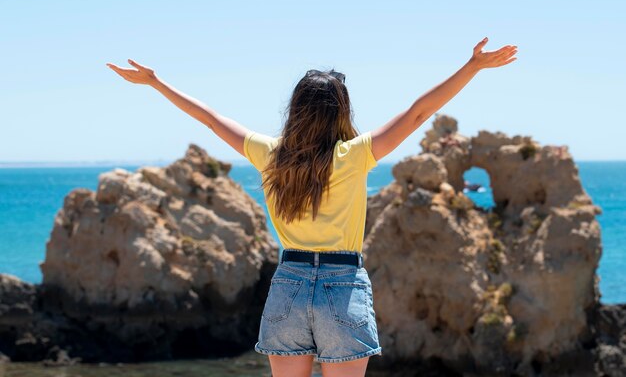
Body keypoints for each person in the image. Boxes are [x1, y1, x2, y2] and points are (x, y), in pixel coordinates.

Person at [106, 37, 517, 377]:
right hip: (342, 281)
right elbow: (418, 113)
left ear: (296, 110)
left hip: (290, 282)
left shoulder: (270, 155)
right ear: (341, 111)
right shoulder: (355, 155)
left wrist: (156, 83)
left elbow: (211, 120)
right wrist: (471, 67)